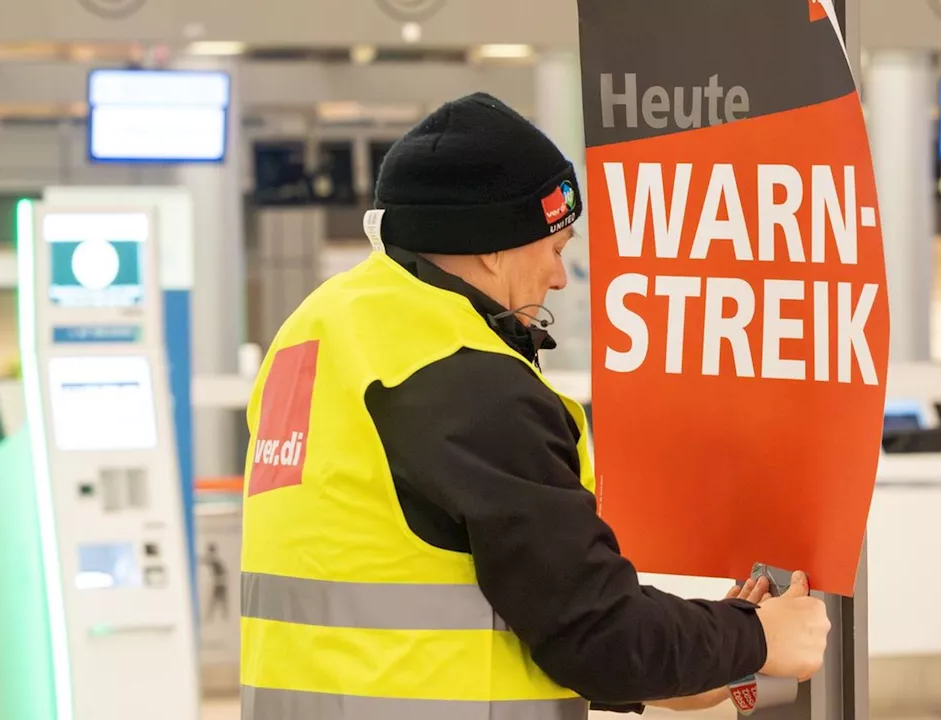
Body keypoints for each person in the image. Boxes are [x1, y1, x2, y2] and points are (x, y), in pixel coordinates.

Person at [238, 92, 830, 719]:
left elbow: (459, 594)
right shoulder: (468, 380)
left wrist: (704, 659)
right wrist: (759, 635)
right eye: (555, 247)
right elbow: (595, 633)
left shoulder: (317, 333)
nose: (559, 277)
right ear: (494, 245)